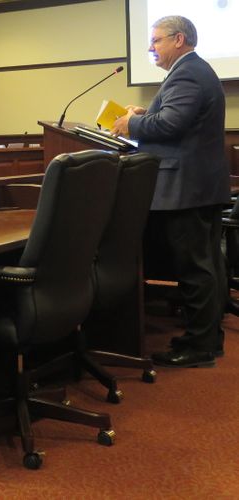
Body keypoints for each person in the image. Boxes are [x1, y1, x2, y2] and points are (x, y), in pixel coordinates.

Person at [111, 16, 229, 367]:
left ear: (178, 40)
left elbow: (171, 125)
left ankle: (199, 346)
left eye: (156, 41)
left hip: (187, 188)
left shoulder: (188, 72)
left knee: (195, 268)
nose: (150, 47)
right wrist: (147, 111)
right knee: (206, 265)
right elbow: (177, 118)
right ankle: (208, 339)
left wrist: (131, 123)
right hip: (199, 186)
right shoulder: (192, 71)